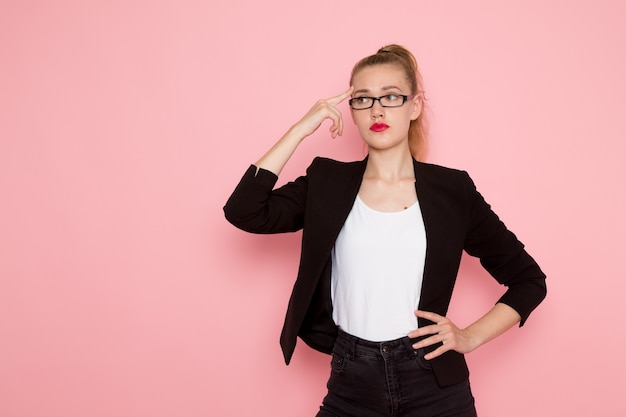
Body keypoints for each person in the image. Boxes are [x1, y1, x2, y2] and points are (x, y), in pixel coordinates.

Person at [223, 44, 546, 417]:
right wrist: (299, 130)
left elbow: (528, 280)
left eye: (391, 96)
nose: (377, 109)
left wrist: (469, 336)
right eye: (363, 99)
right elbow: (244, 211)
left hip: (435, 383)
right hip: (351, 376)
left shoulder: (453, 191)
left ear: (415, 105)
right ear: (352, 111)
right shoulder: (327, 182)